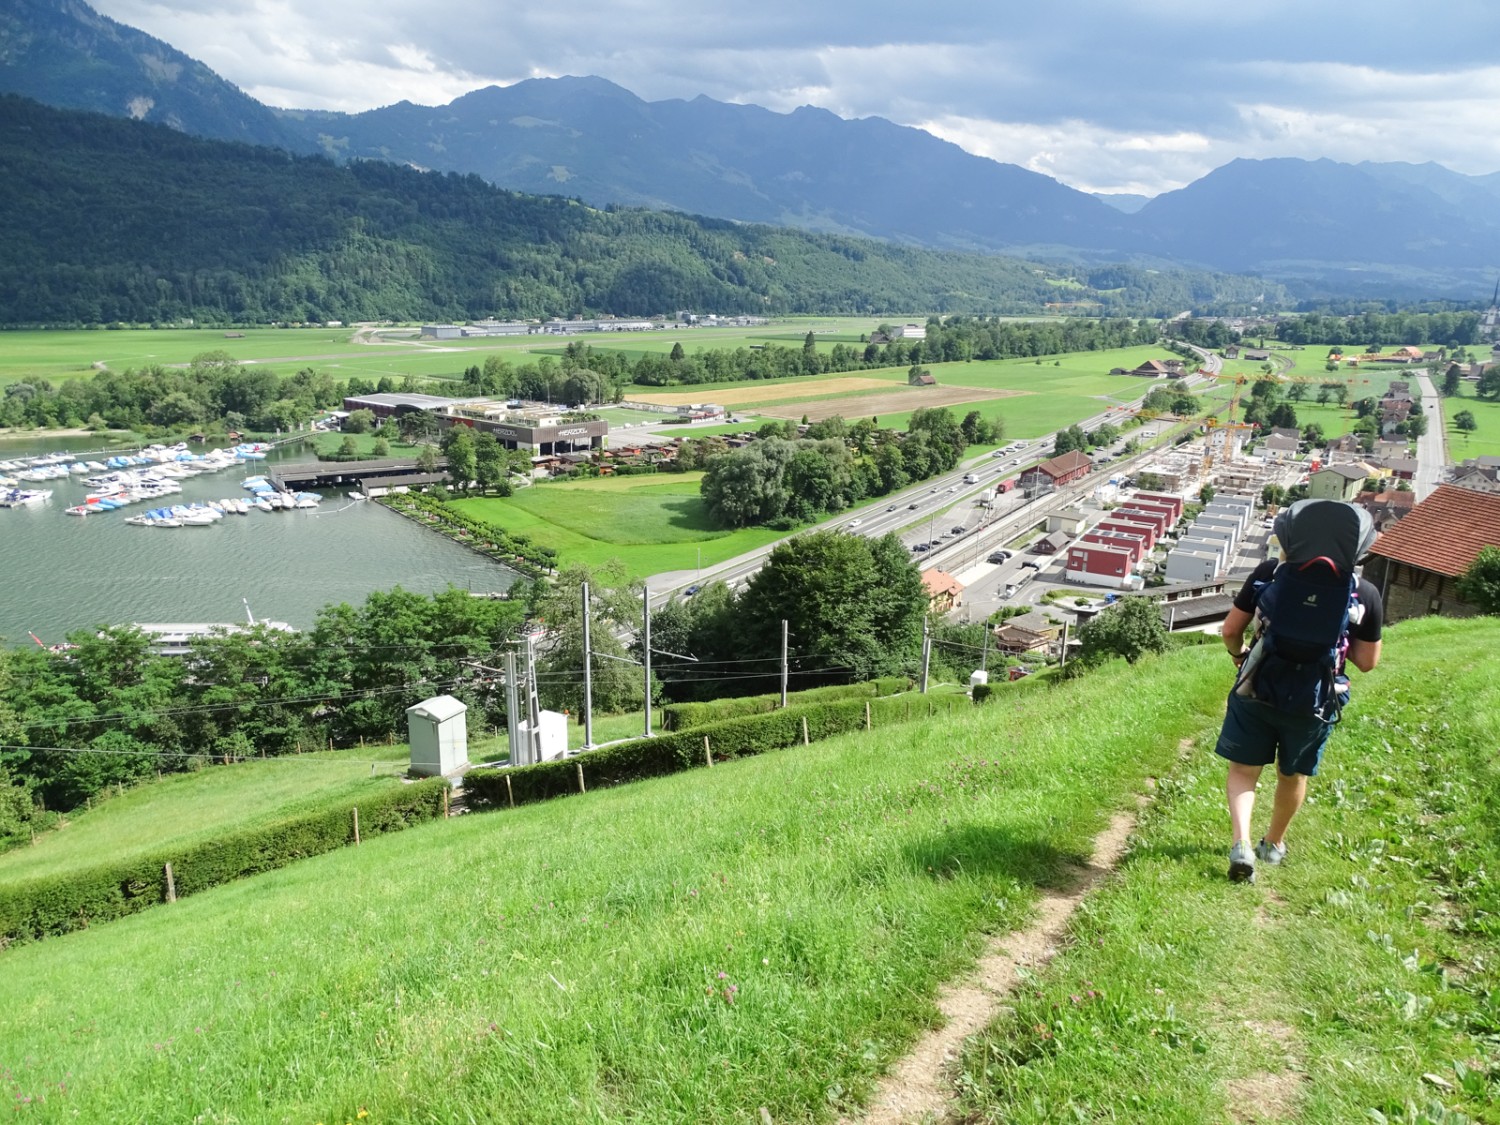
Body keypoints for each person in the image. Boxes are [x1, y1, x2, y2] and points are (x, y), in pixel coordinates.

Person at [1215, 499, 1384, 883]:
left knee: (1244, 770)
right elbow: (1367, 661)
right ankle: (1272, 845)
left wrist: (1240, 655)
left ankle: (1240, 843)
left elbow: (1229, 630)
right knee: (1292, 775)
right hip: (1316, 700)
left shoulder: (1268, 574)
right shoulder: (1363, 593)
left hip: (1258, 686)